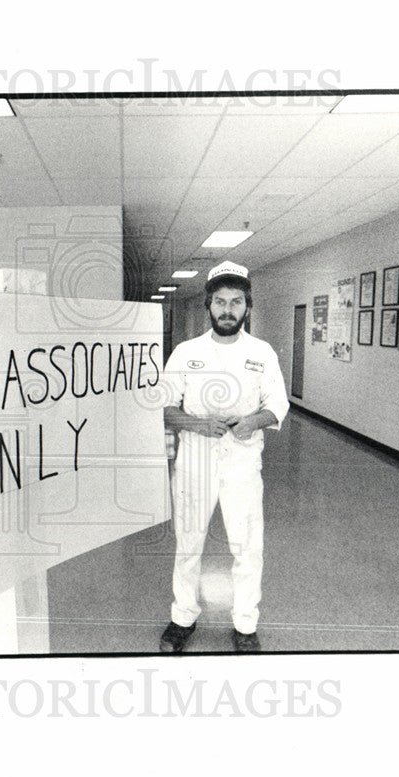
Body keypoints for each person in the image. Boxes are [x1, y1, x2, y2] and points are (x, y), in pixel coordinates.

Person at [158, 262, 289, 653]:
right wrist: (197, 424)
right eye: (220, 302)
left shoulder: (262, 353)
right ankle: (183, 617)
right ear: (208, 306)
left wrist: (253, 421)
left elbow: (277, 405)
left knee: (247, 548)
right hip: (194, 465)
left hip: (243, 466)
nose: (227, 309)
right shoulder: (187, 352)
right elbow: (165, 407)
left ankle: (245, 624)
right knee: (188, 544)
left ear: (248, 307)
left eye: (236, 302)